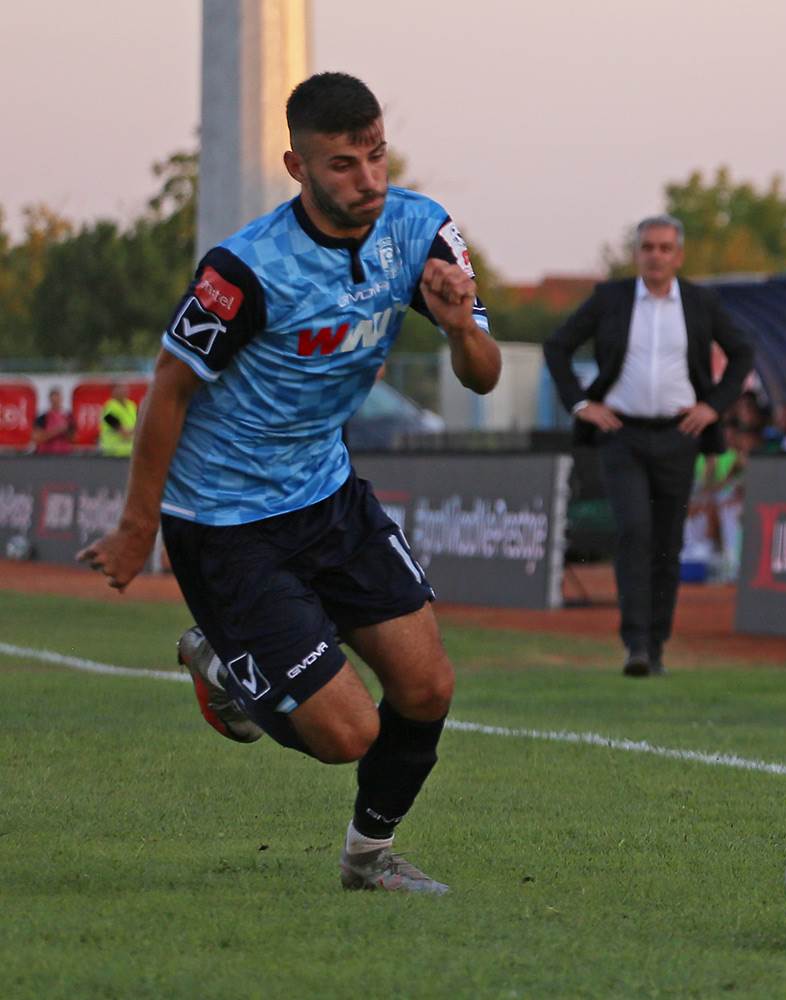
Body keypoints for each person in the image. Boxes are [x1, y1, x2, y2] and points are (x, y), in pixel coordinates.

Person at [77, 72, 501, 896]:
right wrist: (137, 527)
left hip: (327, 494)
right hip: (225, 520)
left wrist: (458, 329)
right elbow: (168, 387)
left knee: (428, 684)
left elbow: (482, 375)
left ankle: (368, 859)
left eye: (377, 155)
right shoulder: (245, 268)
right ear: (296, 166)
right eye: (343, 164)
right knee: (349, 732)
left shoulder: (422, 230)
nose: (368, 179)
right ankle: (227, 666)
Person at [543, 215, 753, 678]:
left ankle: (656, 643)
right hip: (623, 433)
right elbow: (557, 346)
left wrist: (713, 406)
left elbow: (743, 352)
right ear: (636, 254)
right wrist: (581, 405)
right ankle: (634, 643)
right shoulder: (610, 299)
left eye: (664, 248)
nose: (655, 256)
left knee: (667, 541)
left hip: (681, 435)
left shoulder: (700, 302)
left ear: (678, 255)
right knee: (635, 530)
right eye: (647, 247)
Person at [98, 382, 138, 457]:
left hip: (130, 453)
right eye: (120, 388)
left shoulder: (131, 406)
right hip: (113, 453)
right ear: (113, 391)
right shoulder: (109, 410)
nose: (124, 390)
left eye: (125, 388)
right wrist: (137, 429)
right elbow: (124, 433)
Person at [32, 388, 74, 455]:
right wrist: (58, 430)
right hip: (46, 455)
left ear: (61, 399)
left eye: (58, 397)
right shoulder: (42, 418)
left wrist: (66, 431)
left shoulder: (69, 417)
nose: (56, 401)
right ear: (50, 400)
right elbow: (37, 438)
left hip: (65, 456)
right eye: (53, 399)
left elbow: (74, 438)